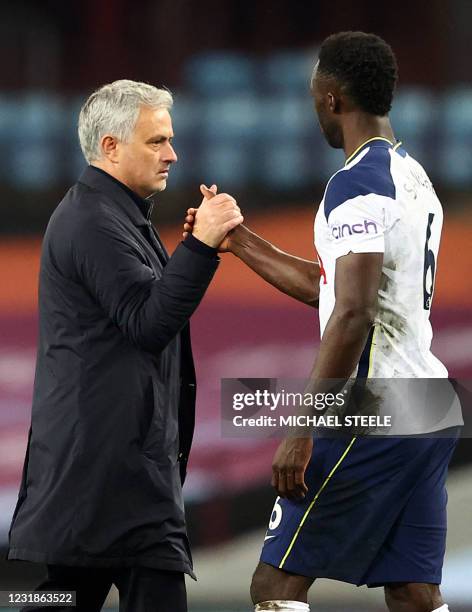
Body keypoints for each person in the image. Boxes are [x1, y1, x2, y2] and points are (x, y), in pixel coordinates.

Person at [184, 32, 458, 612]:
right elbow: (336, 291)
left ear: (332, 99)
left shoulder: (354, 185)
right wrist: (240, 241)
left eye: (314, 96)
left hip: (375, 406)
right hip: (430, 404)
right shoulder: (414, 178)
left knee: (275, 586)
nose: (313, 107)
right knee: (415, 594)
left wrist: (303, 427)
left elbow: (354, 314)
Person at [7, 79, 243, 612]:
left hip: (109, 476)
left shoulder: (111, 214)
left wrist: (196, 249)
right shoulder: (92, 220)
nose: (172, 154)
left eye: (170, 140)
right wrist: (201, 247)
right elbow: (149, 321)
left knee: (58, 599)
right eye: (156, 141)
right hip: (108, 479)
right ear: (110, 146)